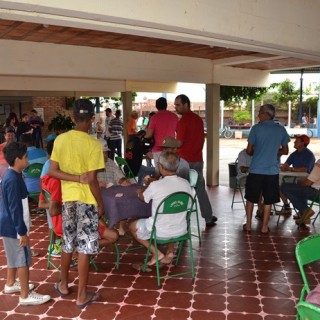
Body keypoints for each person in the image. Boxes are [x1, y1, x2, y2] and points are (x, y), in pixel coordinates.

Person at [49, 98, 105, 308]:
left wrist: (72, 179)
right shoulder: (93, 144)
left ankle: (63, 285)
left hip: (69, 200)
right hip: (87, 201)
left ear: (73, 117)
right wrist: (100, 203)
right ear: (91, 119)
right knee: (84, 248)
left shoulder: (60, 140)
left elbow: (53, 171)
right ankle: (82, 295)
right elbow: (91, 180)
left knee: (68, 243)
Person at [0, 142, 51, 305]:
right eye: (25, 157)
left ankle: (10, 284)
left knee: (13, 257)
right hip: (15, 227)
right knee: (22, 259)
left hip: (10, 225)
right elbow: (15, 208)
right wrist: (21, 232)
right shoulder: (13, 179)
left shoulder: (11, 175)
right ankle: (24, 295)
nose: (27, 160)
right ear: (17, 159)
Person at [128, 151, 192, 266]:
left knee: (132, 226)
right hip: (181, 229)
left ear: (161, 167)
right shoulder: (186, 183)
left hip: (159, 231)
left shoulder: (155, 185)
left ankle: (156, 252)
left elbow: (143, 198)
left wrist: (140, 192)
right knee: (172, 216)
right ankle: (170, 252)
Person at [243, 104, 290, 234]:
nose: (258, 114)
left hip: (256, 169)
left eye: (260, 112)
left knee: (251, 198)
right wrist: (274, 151)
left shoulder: (256, 129)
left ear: (266, 114)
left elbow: (249, 150)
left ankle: (248, 224)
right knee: (269, 199)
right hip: (272, 171)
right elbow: (285, 151)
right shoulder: (280, 130)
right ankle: (264, 227)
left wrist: (258, 151)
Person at [174, 94, 218, 227]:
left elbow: (179, 143)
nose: (176, 107)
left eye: (178, 105)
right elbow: (202, 139)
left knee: (181, 190)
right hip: (198, 159)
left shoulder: (183, 121)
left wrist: (170, 146)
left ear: (186, 104)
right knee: (200, 189)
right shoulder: (198, 119)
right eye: (175, 105)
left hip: (184, 162)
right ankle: (208, 217)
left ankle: (182, 220)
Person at [279, 134, 315, 213]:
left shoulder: (309, 155)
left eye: (297, 141)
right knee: (278, 185)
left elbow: (305, 169)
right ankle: (287, 206)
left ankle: (303, 210)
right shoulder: (294, 154)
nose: (294, 142)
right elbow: (286, 164)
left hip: (307, 182)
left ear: (302, 143)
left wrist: (291, 169)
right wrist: (283, 167)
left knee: (285, 187)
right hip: (295, 178)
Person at [281, 159, 320, 225]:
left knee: (285, 187)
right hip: (315, 191)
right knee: (301, 190)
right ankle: (306, 217)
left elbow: (308, 183)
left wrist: (298, 182)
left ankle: (305, 210)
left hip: (317, 194)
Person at [144, 97, 178, 166]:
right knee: (170, 170)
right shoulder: (174, 116)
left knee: (159, 172)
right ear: (166, 105)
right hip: (171, 149)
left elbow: (149, 135)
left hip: (158, 149)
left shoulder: (154, 118)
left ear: (156, 106)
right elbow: (178, 132)